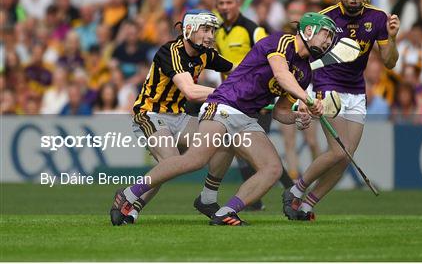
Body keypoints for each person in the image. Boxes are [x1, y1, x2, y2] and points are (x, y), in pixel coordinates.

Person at [110, 12, 336, 226]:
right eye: (325, 34)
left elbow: (280, 111)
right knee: (194, 159)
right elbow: (280, 74)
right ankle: (129, 195)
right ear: (308, 31)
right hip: (219, 106)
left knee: (272, 169)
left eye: (330, 38)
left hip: (245, 116)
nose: (328, 42)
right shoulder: (281, 41)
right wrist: (307, 99)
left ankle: (225, 211)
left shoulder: (305, 73)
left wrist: (297, 116)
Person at [282, 0, 400, 221]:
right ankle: (295, 189)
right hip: (327, 84)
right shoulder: (325, 18)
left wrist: (392, 37)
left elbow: (389, 63)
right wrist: (302, 92)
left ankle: (306, 205)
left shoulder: (378, 18)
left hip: (356, 90)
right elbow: (302, 54)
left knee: (345, 158)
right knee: (338, 151)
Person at [109, 10, 233, 225]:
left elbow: (239, 73)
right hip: (149, 114)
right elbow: (191, 92)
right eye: (205, 29)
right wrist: (227, 94)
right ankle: (130, 198)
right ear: (188, 30)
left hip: (180, 117)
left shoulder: (207, 54)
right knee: (171, 161)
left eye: (212, 30)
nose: (211, 35)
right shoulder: (170, 51)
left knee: (226, 138)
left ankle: (207, 198)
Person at [203, 0, 295, 211]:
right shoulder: (218, 31)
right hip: (232, 98)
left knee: (259, 154)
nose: (225, 7)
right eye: (221, 3)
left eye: (229, 2)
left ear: (238, 4)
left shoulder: (253, 30)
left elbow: (275, 58)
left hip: (258, 100)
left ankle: (291, 193)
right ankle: (272, 197)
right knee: (241, 152)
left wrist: (266, 96)